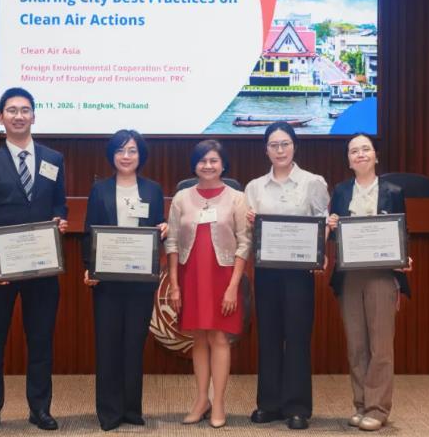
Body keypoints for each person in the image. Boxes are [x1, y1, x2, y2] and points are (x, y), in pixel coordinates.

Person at [0, 87, 68, 434]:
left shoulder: (54, 159)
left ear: (34, 116)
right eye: (11, 110)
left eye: (25, 110)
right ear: (1, 118)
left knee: (40, 341)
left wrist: (60, 220)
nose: (19, 116)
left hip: (42, 267)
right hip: (1, 269)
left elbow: (59, 204)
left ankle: (40, 409)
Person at [244, 122, 330, 430]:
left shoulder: (313, 182)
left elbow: (322, 222)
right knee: (268, 335)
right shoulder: (254, 187)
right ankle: (269, 404)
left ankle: (297, 406)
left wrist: (319, 252)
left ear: (294, 146)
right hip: (266, 271)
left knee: (296, 337)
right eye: (273, 145)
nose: (279, 150)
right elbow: (248, 232)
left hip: (298, 273)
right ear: (265, 150)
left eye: (285, 144)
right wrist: (250, 223)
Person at [81, 130, 168, 431]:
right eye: (120, 150)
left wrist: (164, 228)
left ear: (140, 155)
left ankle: (131, 409)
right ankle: (109, 411)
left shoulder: (153, 190)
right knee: (107, 345)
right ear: (112, 155)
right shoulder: (100, 190)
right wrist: (89, 268)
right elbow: (89, 231)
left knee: (134, 344)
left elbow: (157, 229)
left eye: (132, 150)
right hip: (107, 281)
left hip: (140, 280)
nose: (126, 156)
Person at [326, 133, 412, 432]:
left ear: (376, 156)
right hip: (349, 276)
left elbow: (402, 231)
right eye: (354, 151)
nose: (360, 154)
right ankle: (361, 404)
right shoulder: (340, 191)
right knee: (357, 345)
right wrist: (332, 226)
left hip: (381, 275)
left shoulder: (393, 191)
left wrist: (404, 257)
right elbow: (335, 237)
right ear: (348, 160)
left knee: (380, 345)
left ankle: (378, 408)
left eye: (366, 149)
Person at [165, 139, 251, 429]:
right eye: (202, 160)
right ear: (195, 165)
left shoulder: (237, 198)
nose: (208, 165)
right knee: (198, 338)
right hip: (190, 275)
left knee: (219, 338)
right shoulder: (181, 198)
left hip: (223, 277)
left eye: (214, 160)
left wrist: (233, 287)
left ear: (223, 165)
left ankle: (219, 401)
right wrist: (174, 284)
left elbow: (244, 243)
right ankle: (201, 400)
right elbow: (172, 242)